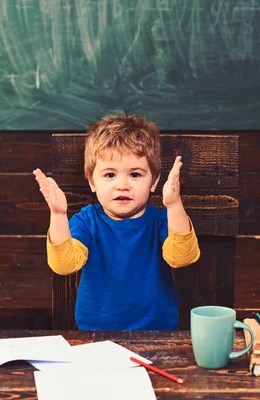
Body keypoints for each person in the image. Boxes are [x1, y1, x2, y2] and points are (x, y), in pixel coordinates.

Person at [33, 114, 200, 330]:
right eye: (110, 175)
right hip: (95, 332)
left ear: (154, 181)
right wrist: (57, 215)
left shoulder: (160, 220)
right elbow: (64, 265)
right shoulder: (87, 221)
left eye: (135, 175)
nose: (122, 185)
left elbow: (181, 258)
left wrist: (175, 204)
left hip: (158, 331)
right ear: (92, 181)